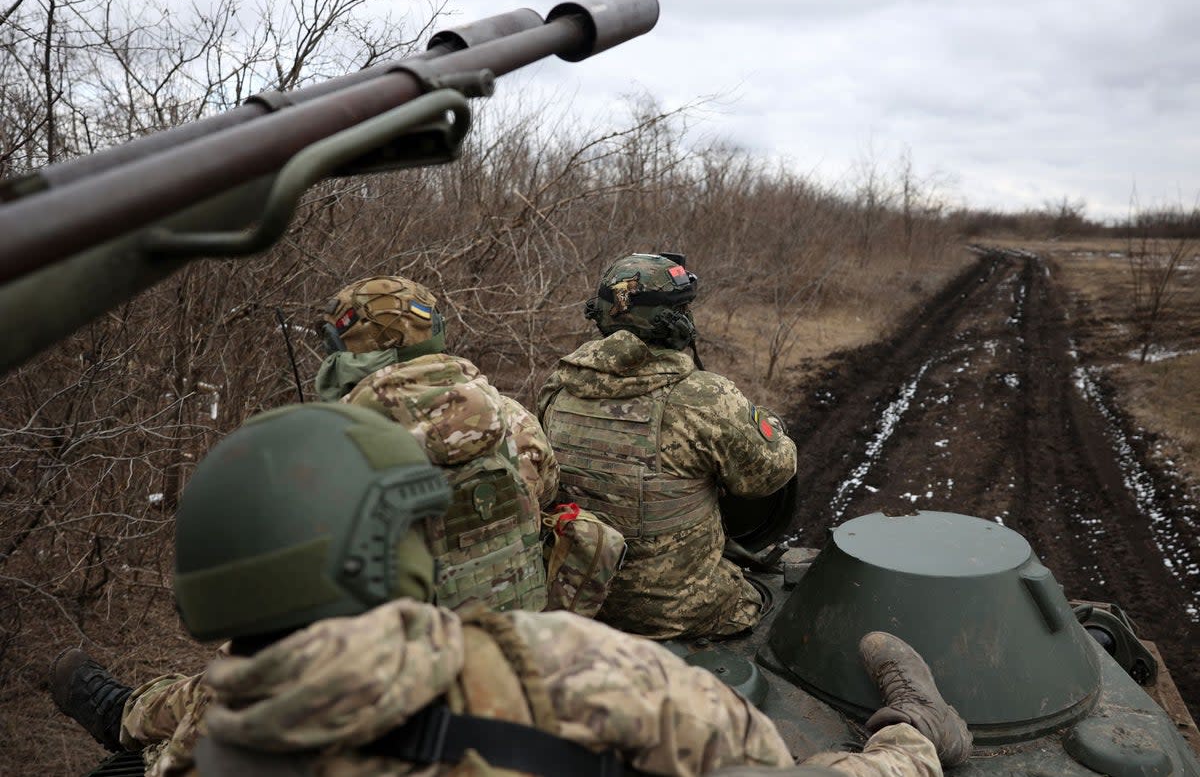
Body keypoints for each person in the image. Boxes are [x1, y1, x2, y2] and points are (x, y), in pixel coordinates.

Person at [50, 403, 972, 777]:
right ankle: (918, 734)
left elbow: (208, 690)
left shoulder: (211, 733)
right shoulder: (564, 670)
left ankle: (118, 706)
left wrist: (130, 716)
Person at [538, 253, 797, 639]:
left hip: (578, 600)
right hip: (679, 613)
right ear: (676, 324)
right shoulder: (706, 397)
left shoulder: (557, 387)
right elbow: (773, 473)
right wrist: (769, 424)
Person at [315, 275, 557, 612]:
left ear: (338, 349)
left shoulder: (325, 447)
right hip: (515, 643)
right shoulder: (510, 416)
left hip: (409, 654)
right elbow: (544, 491)